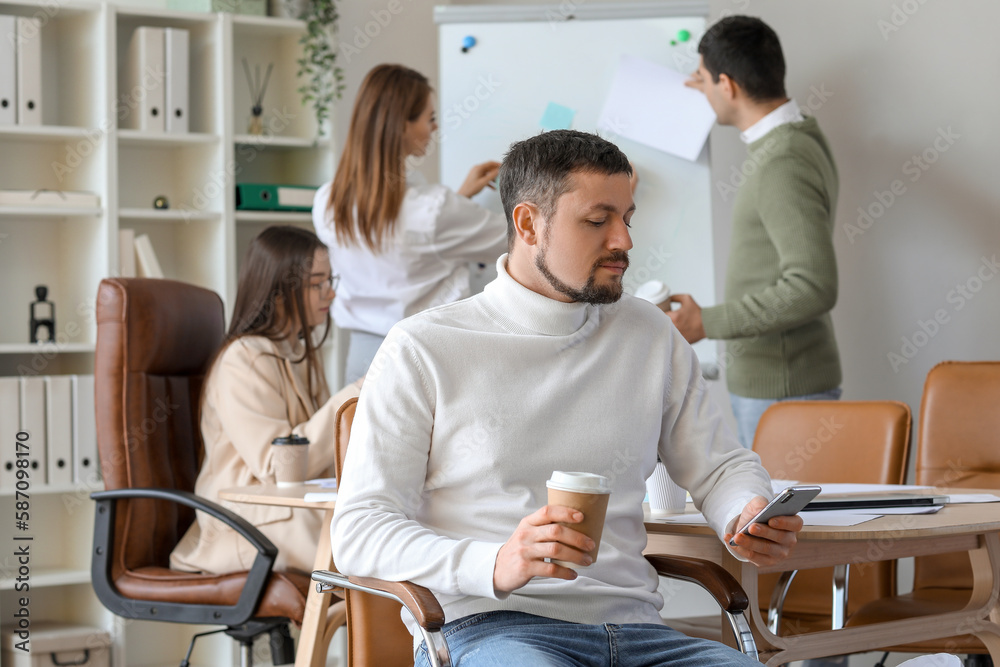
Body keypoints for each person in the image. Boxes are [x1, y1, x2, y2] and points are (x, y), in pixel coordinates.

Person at [331, 130, 803, 667]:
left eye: (628, 217)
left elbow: (719, 468)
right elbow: (361, 527)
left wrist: (745, 508)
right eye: (598, 221)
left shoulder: (648, 333)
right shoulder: (424, 347)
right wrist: (494, 562)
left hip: (639, 631)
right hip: (490, 630)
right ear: (528, 224)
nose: (623, 241)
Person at [671, 15, 842, 450]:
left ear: (728, 86)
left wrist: (707, 322)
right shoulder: (799, 136)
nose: (704, 88)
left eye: (707, 81)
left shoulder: (782, 162)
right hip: (780, 382)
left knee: (776, 520)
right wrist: (714, 80)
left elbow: (813, 286)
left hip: (783, 388)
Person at [170, 225, 362, 575]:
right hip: (246, 523)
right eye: (316, 284)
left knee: (396, 527)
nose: (330, 294)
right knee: (377, 552)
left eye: (329, 280)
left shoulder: (297, 352)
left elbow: (326, 456)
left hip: (285, 511)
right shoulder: (243, 359)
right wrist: (355, 395)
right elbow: (279, 469)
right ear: (278, 292)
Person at [312, 64, 508, 384]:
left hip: (361, 363)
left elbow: (403, 240)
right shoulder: (434, 211)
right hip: (424, 361)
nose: (434, 128)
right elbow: (517, 240)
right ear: (401, 125)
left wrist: (460, 199)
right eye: (429, 118)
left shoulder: (327, 202)